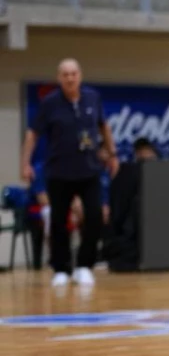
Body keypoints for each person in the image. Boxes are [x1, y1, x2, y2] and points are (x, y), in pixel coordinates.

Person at [20, 59, 118, 286]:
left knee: (94, 216)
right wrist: (25, 163)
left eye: (73, 74)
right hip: (59, 171)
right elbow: (32, 134)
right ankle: (61, 269)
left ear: (80, 76)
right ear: (59, 78)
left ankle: (84, 266)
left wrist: (112, 154)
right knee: (58, 220)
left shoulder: (93, 98)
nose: (70, 78)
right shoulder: (49, 103)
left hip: (89, 170)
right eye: (65, 74)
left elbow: (104, 126)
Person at [103, 137, 158, 272]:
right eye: (142, 151)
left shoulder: (160, 173)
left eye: (148, 151)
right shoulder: (125, 173)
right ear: (136, 153)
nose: (146, 155)